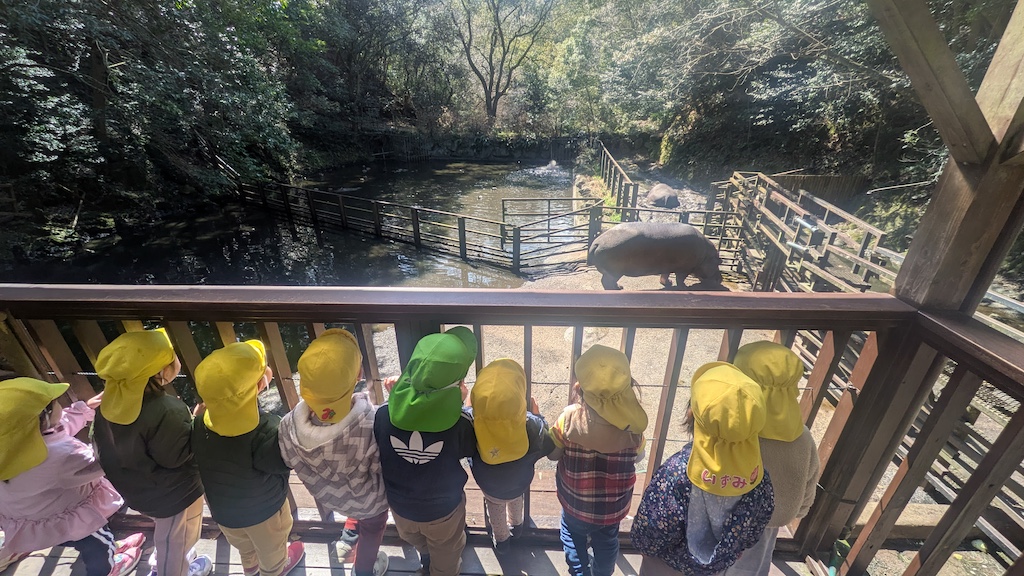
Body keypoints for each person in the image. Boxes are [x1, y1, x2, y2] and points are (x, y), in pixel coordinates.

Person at [631, 362, 775, 576]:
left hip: (666, 565)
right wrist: (735, 550)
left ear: (691, 415)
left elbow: (654, 526)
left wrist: (645, 548)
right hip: (714, 569)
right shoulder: (757, 477)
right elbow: (758, 522)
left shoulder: (676, 472)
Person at [92, 328, 212, 576]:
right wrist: (197, 423)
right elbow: (176, 456)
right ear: (159, 372)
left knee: (169, 533)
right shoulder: (167, 409)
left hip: (137, 490)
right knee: (175, 542)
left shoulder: (109, 405)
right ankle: (172, 569)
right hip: (175, 495)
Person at [0, 376, 144, 576]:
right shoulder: (62, 457)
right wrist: (128, 438)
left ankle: (108, 547)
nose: (60, 404)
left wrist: (85, 409)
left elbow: (57, 428)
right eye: (56, 402)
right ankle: (107, 568)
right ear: (43, 418)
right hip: (63, 520)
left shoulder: (13, 442)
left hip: (28, 519)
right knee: (96, 543)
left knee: (89, 540)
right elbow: (104, 463)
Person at [278, 328, 390, 576]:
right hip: (370, 503)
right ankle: (363, 570)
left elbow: (286, 458)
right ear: (359, 375)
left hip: (331, 498)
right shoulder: (372, 423)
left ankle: (349, 534)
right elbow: (383, 466)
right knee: (373, 529)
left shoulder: (288, 426)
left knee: (355, 504)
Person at [192, 340, 304, 576]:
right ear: (259, 385)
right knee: (272, 556)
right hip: (264, 514)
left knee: (245, 548)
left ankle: (250, 569)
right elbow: (282, 464)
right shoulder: (267, 428)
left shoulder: (199, 424)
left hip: (225, 515)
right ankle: (274, 570)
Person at [373, 327, 478, 576]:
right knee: (447, 553)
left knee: (419, 541)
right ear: (457, 384)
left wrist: (397, 397)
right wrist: (460, 403)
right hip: (444, 511)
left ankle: (426, 556)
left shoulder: (383, 414)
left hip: (401, 508)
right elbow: (469, 448)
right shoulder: (460, 422)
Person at [549, 344, 649, 576]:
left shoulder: (568, 418)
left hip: (575, 504)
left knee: (572, 535)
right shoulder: (633, 428)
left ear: (580, 387)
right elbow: (639, 457)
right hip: (612, 508)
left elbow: (553, 454)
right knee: (607, 541)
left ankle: (579, 571)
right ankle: (603, 572)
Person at [729, 341, 819, 575]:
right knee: (751, 565)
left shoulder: (730, 431)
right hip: (769, 521)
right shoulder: (802, 437)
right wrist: (797, 510)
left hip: (724, 517)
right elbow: (809, 481)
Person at [468, 359, 555, 554]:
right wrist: (538, 415)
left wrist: (469, 408)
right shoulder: (530, 424)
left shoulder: (472, 422)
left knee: (495, 508)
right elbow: (546, 443)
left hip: (489, 484)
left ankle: (502, 542)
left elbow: (464, 444)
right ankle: (517, 527)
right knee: (516, 501)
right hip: (519, 482)